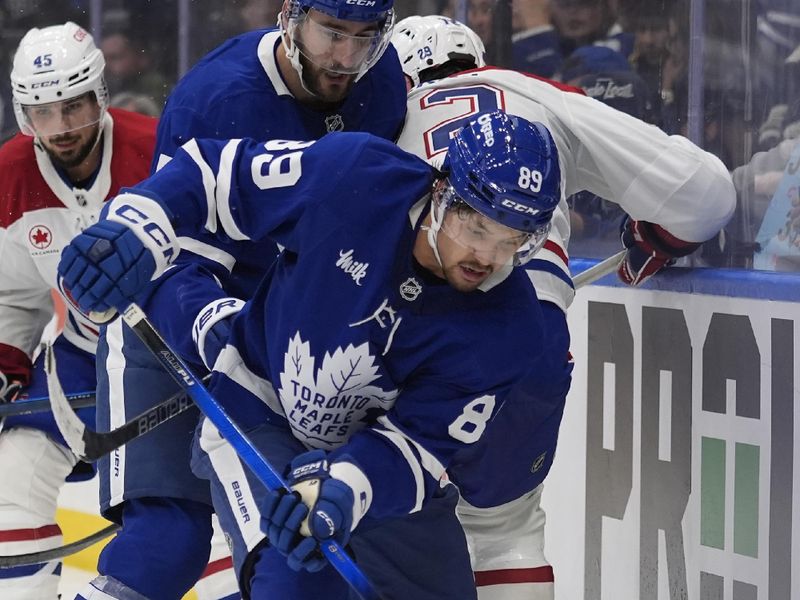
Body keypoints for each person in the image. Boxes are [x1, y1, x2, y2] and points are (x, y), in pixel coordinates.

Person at [59, 109, 560, 600]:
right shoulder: (354, 177)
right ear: (441, 193)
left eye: (514, 241)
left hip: (366, 460)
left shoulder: (511, 327)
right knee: (298, 580)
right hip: (260, 413)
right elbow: (214, 175)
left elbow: (414, 445)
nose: (490, 260)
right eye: (477, 231)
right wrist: (141, 224)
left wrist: (345, 486)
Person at [70, 1, 407, 599]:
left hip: (282, 342)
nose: (347, 58)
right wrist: (221, 331)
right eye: (331, 33)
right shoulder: (218, 99)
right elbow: (174, 267)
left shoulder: (381, 81)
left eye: (366, 36)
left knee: (297, 560)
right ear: (291, 17)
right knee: (163, 548)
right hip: (170, 322)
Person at [391, 14, 735, 599]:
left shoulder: (376, 115)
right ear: (477, 61)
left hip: (401, 342)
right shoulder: (536, 96)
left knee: (364, 525)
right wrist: (662, 237)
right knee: (505, 535)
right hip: (527, 345)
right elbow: (706, 193)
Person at [0, 22, 157, 600]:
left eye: (73, 107)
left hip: (175, 364)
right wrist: (5, 362)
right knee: (8, 491)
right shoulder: (9, 178)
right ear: (23, 115)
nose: (61, 128)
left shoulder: (159, 148)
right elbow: (9, 296)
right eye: (43, 113)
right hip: (82, 359)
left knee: (201, 510)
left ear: (100, 96)